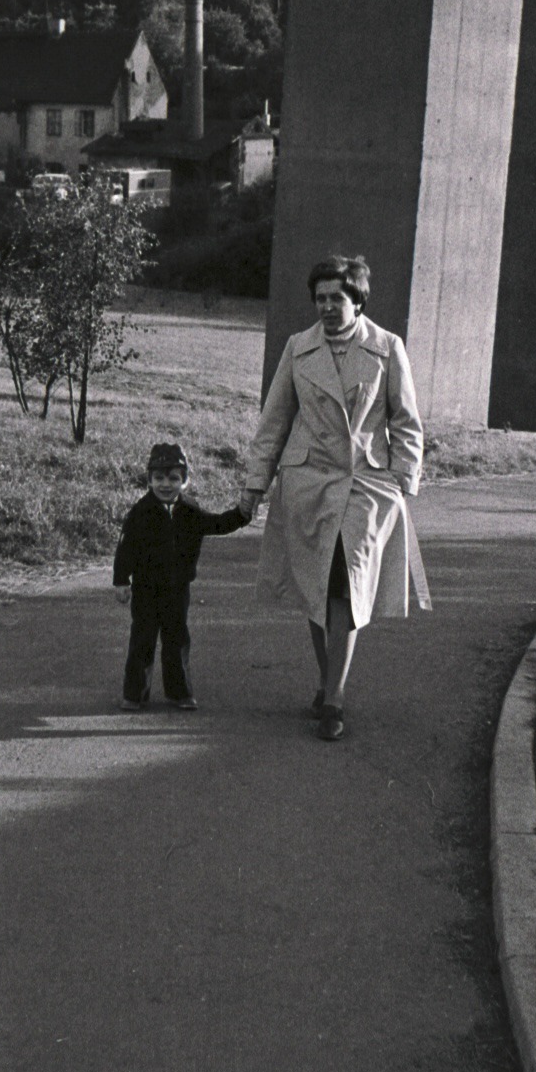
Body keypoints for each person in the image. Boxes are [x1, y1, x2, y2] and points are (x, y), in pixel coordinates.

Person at [240, 255, 429, 741]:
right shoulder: (298, 348)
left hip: (365, 485)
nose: (327, 307)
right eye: (320, 298)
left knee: (345, 584)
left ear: (357, 300)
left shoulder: (387, 347)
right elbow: (275, 419)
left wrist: (403, 479)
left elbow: (406, 422)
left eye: (337, 298)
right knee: (316, 585)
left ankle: (335, 696)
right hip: (309, 483)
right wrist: (254, 485)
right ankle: (328, 684)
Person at [114, 442, 250, 711]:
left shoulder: (190, 510)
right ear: (149, 480)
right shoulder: (141, 512)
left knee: (176, 640)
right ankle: (134, 694)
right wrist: (121, 580)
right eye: (159, 478)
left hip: (177, 589)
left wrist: (241, 515)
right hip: (145, 589)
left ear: (185, 481)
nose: (166, 484)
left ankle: (179, 693)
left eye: (174, 478)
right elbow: (125, 548)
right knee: (142, 639)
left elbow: (216, 524)